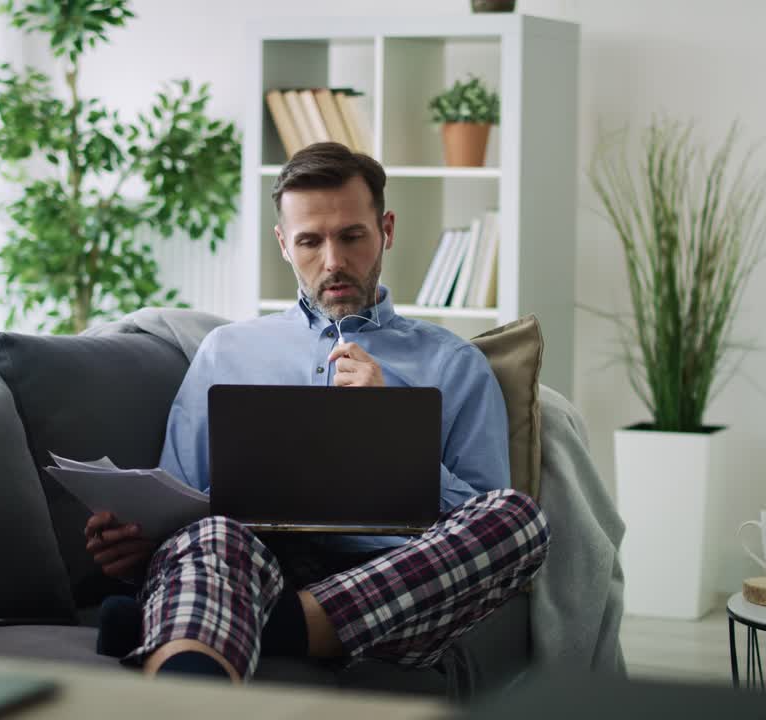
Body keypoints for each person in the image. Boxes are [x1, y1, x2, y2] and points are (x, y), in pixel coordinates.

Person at [84, 142, 550, 683]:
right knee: (211, 538)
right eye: (310, 241)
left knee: (521, 522)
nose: (333, 261)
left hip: (392, 582)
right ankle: (237, 622)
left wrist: (391, 434)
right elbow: (180, 499)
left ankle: (236, 625)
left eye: (352, 236)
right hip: (247, 564)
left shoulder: (454, 363)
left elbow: (478, 514)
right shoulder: (226, 351)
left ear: (386, 230)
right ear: (284, 244)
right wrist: (139, 543)